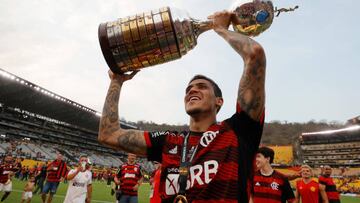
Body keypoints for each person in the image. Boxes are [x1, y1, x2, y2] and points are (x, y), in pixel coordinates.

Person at [98, 10, 266, 203]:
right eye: (188, 89)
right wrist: (117, 82)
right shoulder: (170, 141)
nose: (192, 91)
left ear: (219, 101)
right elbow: (108, 134)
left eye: (202, 87)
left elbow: (255, 55)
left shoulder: (238, 131)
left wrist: (220, 29)